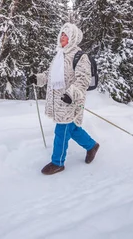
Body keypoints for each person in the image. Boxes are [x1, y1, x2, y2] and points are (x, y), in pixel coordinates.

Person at [28, 22, 99, 175]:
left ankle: (57, 162)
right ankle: (92, 146)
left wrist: (70, 94)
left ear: (73, 37)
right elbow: (49, 75)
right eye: (61, 34)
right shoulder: (59, 55)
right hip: (58, 101)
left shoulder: (81, 57)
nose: (62, 37)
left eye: (66, 35)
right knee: (71, 129)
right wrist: (38, 78)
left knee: (61, 130)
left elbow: (83, 79)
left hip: (70, 100)